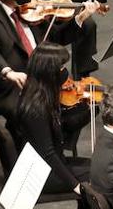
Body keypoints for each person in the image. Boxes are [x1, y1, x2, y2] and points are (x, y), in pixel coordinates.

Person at [12, 44, 93, 195]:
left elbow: (63, 127)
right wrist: (76, 186)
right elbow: (48, 154)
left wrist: (89, 111)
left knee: (102, 168)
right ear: (49, 72)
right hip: (42, 176)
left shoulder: (43, 95)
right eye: (61, 67)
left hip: (53, 164)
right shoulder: (35, 109)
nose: (65, 72)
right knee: (104, 176)